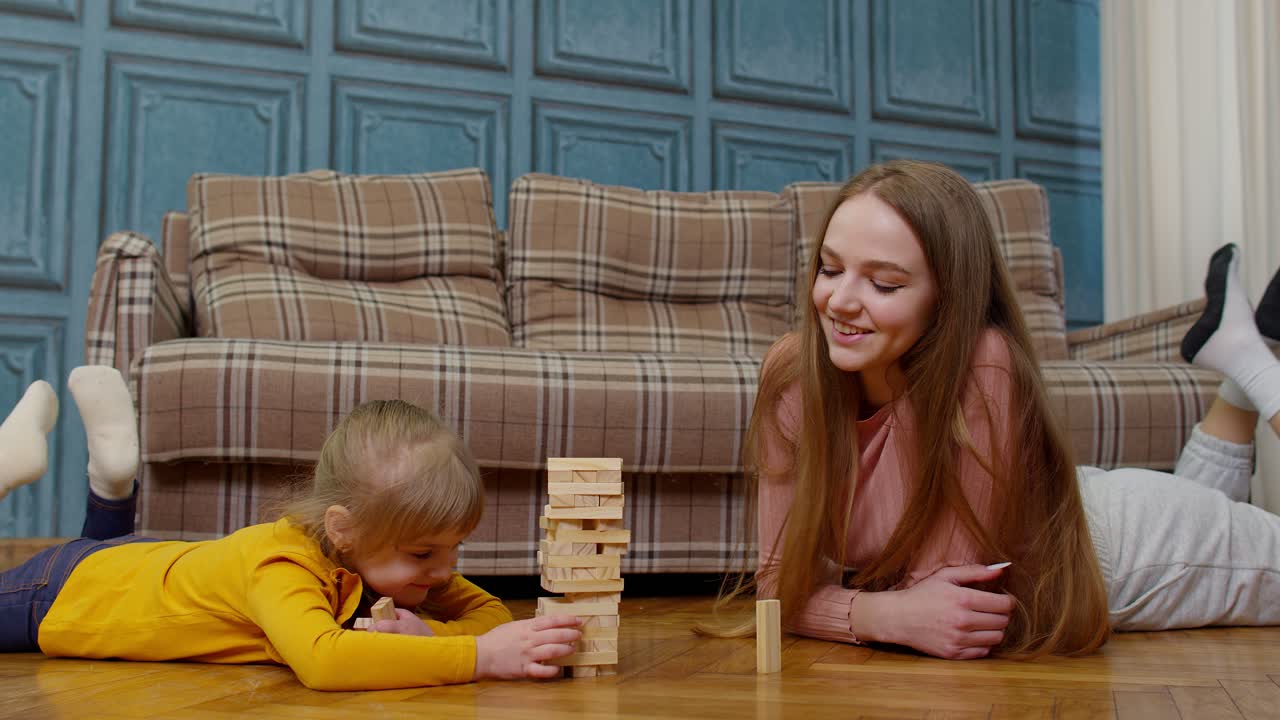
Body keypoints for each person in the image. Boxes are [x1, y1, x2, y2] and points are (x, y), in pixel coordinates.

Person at [740, 159, 1280, 660]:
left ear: (948, 299)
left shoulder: (984, 361)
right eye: (830, 270)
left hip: (1132, 551)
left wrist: (854, 608)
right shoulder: (793, 372)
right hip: (1060, 504)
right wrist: (880, 614)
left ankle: (1252, 365)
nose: (839, 301)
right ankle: (1240, 361)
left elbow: (943, 597)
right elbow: (779, 585)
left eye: (884, 284)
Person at [0, 368, 581, 689]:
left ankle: (111, 483)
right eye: (425, 553)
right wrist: (476, 658)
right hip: (60, 593)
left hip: (134, 567)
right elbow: (324, 661)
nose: (445, 570)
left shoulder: (393, 558)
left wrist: (432, 636)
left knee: (109, 556)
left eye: (455, 548)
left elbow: (491, 614)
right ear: (344, 529)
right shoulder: (280, 567)